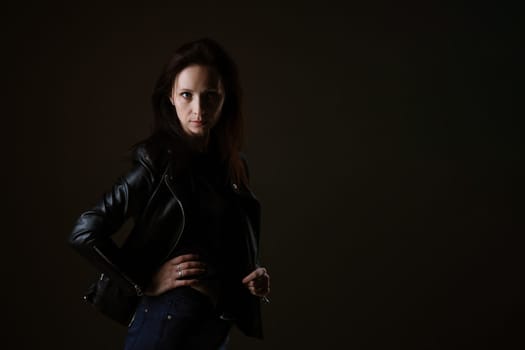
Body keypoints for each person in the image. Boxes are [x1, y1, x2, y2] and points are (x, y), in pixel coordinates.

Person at [69, 37, 270, 350]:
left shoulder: (234, 166)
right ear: (171, 98)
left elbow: (224, 245)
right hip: (167, 323)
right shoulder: (155, 162)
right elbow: (84, 231)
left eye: (210, 96)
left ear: (225, 99)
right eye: (187, 95)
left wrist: (252, 277)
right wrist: (143, 280)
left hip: (214, 327)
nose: (198, 109)